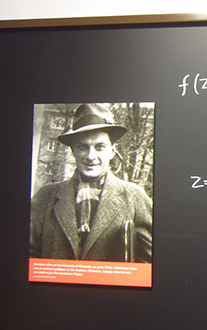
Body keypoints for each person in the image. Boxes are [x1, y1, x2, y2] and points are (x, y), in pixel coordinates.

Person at [30, 104, 153, 263]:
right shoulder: (45, 196)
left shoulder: (135, 197)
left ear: (112, 151)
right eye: (82, 147)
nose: (90, 156)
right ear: (73, 151)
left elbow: (150, 264)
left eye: (100, 147)